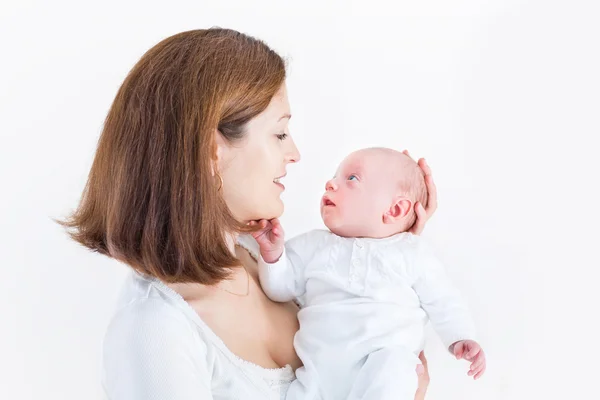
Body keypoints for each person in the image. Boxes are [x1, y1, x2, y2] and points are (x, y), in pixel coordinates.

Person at [60, 28, 437, 400]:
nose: (295, 153)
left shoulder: (258, 255)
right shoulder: (152, 332)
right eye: (279, 134)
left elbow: (353, 342)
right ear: (213, 151)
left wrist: (386, 242)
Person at [253, 147, 486, 400]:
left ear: (395, 210)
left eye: (351, 179)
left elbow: (443, 300)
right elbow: (279, 289)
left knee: (396, 367)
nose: (330, 183)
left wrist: (460, 337)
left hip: (382, 366)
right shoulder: (313, 245)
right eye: (335, 176)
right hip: (319, 376)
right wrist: (273, 255)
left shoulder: (411, 252)